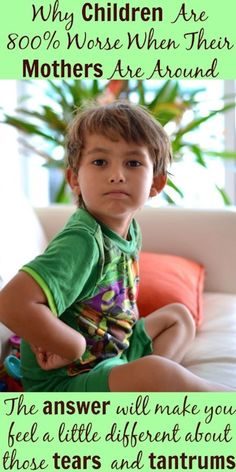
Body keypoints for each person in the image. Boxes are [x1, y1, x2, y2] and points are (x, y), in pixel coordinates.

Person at [0, 101, 233, 392]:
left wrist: (129, 316)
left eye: (133, 163)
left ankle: (143, 387)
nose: (117, 175)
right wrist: (70, 344)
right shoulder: (82, 240)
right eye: (100, 162)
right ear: (74, 179)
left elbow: (119, 290)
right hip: (69, 377)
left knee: (179, 317)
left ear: (155, 184)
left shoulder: (128, 229)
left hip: (112, 351)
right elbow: (10, 303)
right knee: (156, 371)